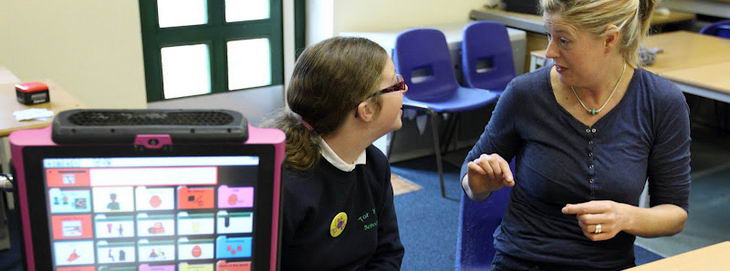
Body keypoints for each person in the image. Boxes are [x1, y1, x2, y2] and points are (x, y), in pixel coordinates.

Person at [460, 0, 691, 270]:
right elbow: (470, 178)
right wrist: (479, 182)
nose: (549, 52)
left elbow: (674, 214)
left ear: (609, 40)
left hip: (607, 264)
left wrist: (625, 217)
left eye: (564, 40)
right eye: (549, 35)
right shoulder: (525, 94)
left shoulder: (661, 102)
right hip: (522, 261)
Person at [263, 36, 406, 270]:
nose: (405, 88)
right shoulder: (286, 187)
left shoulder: (374, 164)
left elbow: (388, 252)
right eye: (396, 83)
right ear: (366, 110)